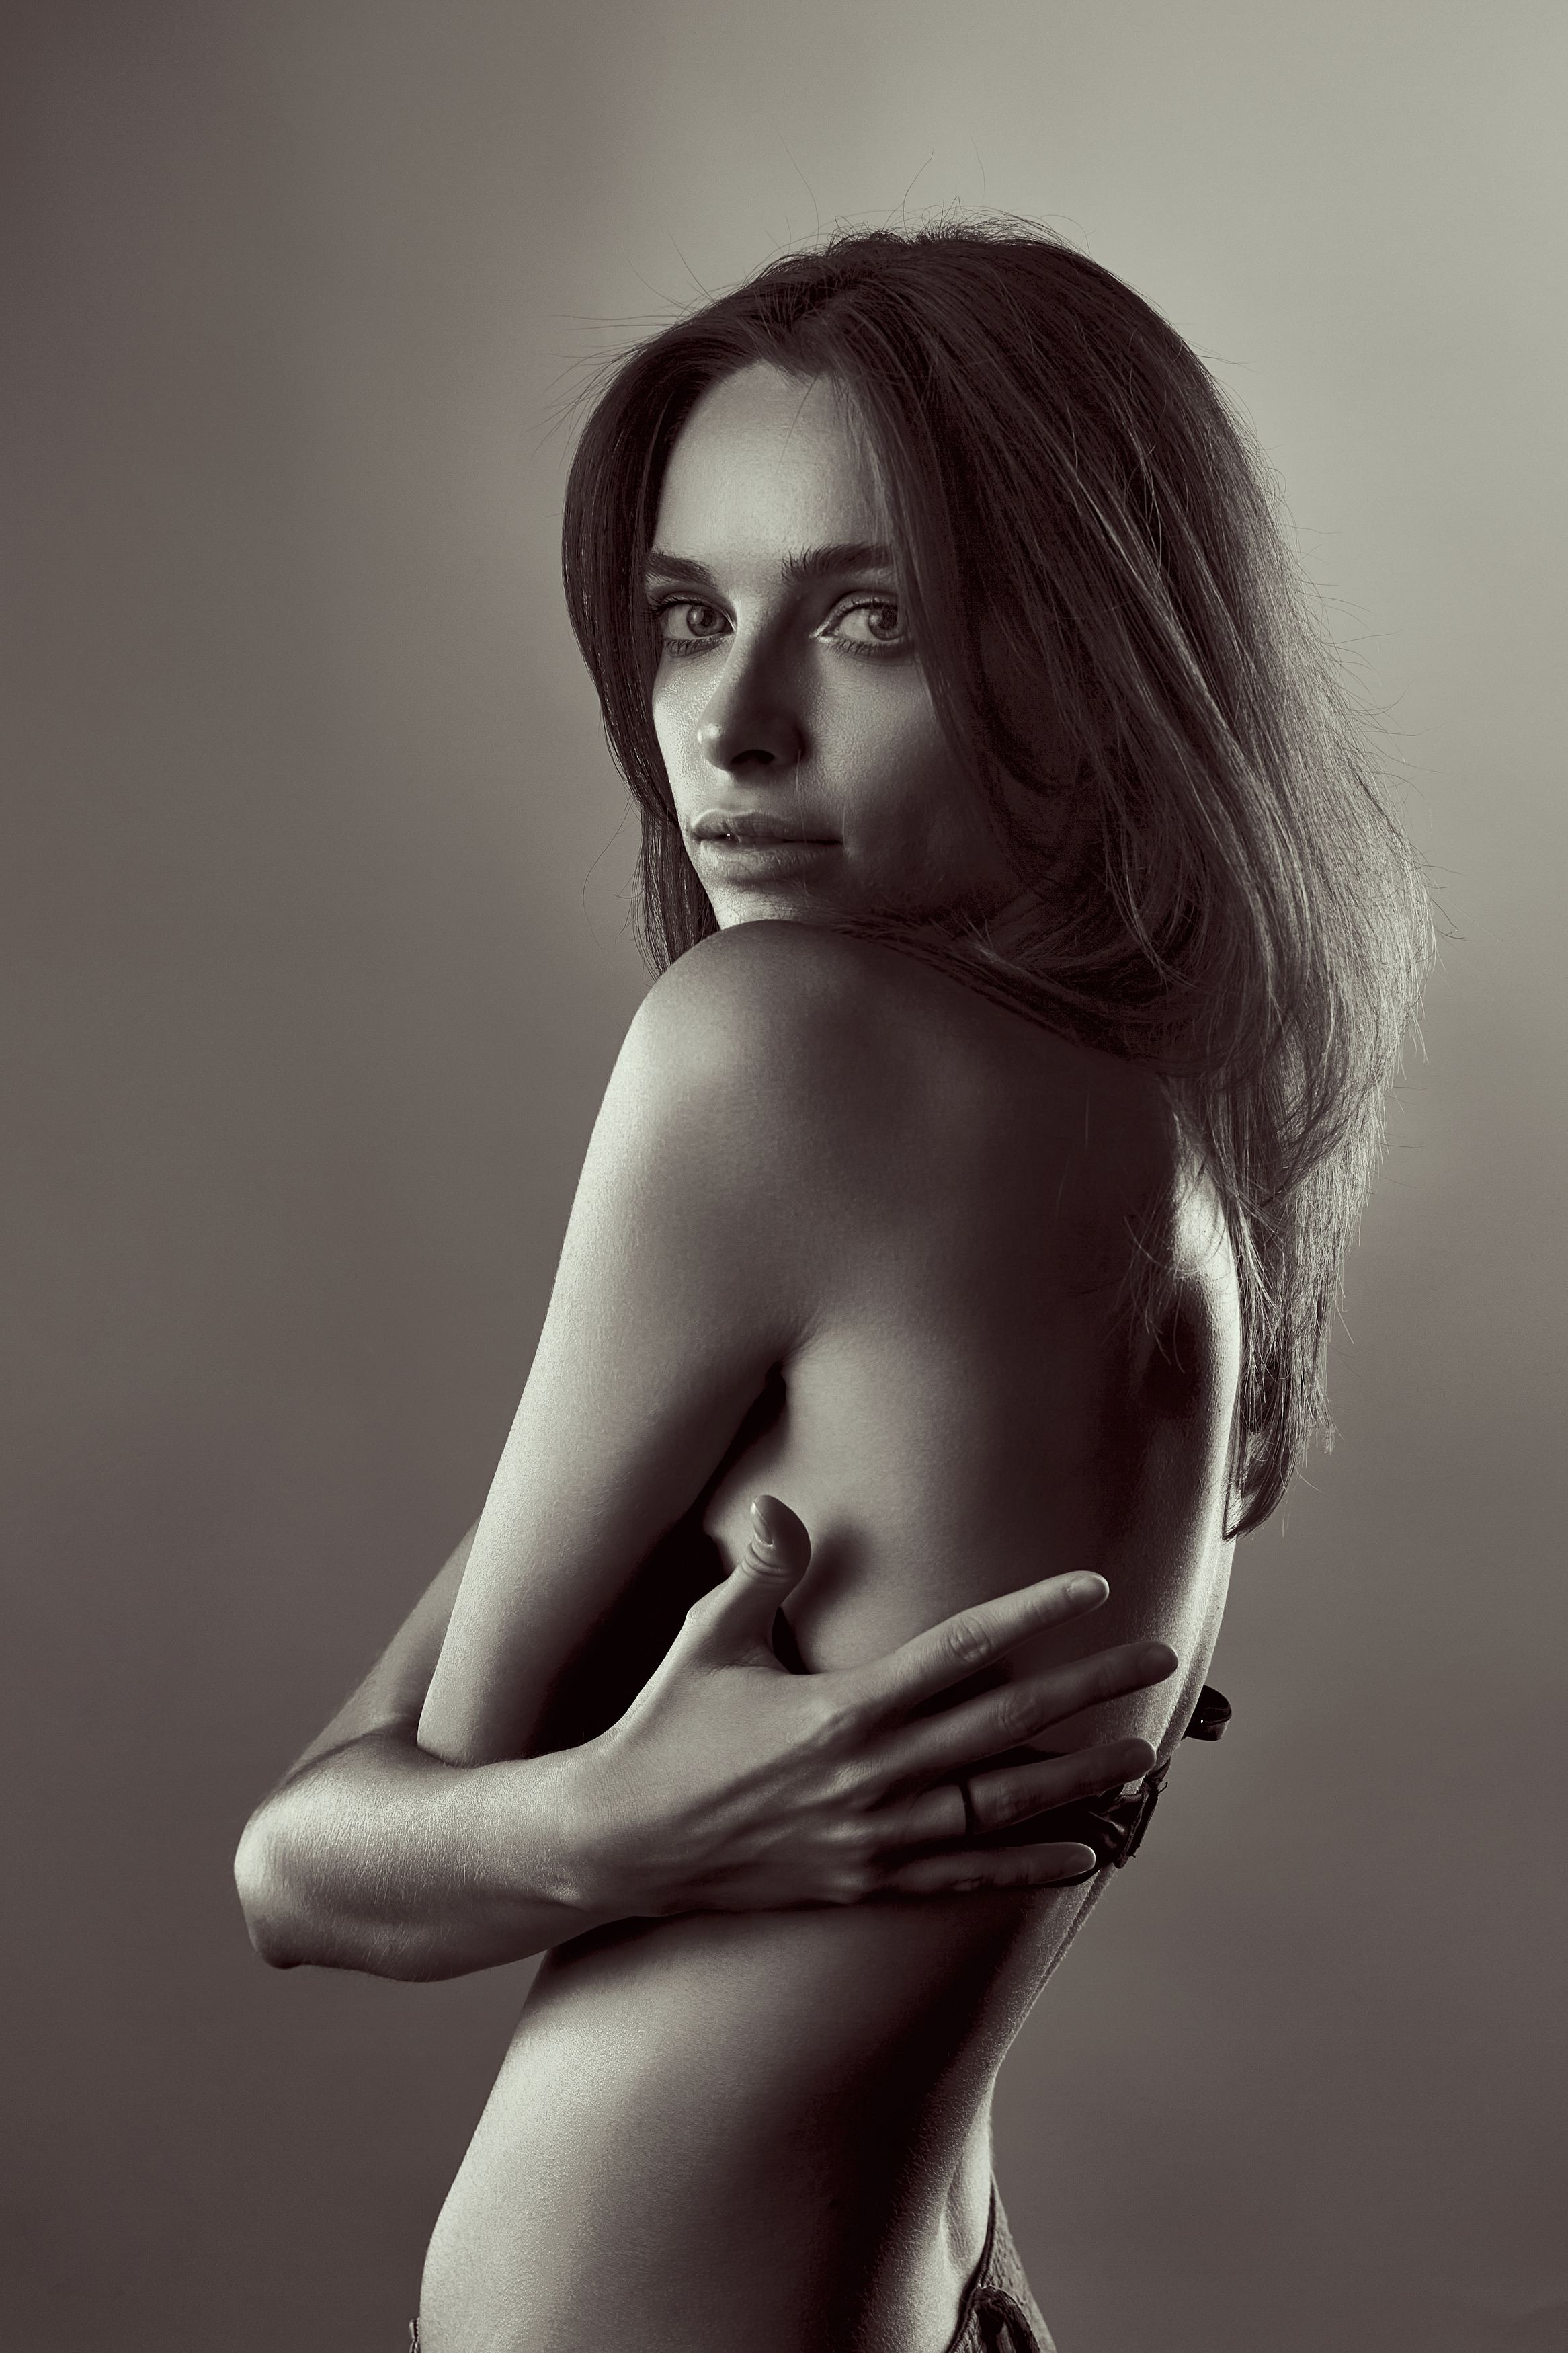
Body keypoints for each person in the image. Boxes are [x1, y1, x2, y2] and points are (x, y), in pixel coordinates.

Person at [235, 223, 1430, 2352]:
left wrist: (620, 1817)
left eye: (871, 617)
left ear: (1096, 654)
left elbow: (321, 1863)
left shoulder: (782, 1049)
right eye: (688, 618)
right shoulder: (1178, 1162)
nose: (735, 724)